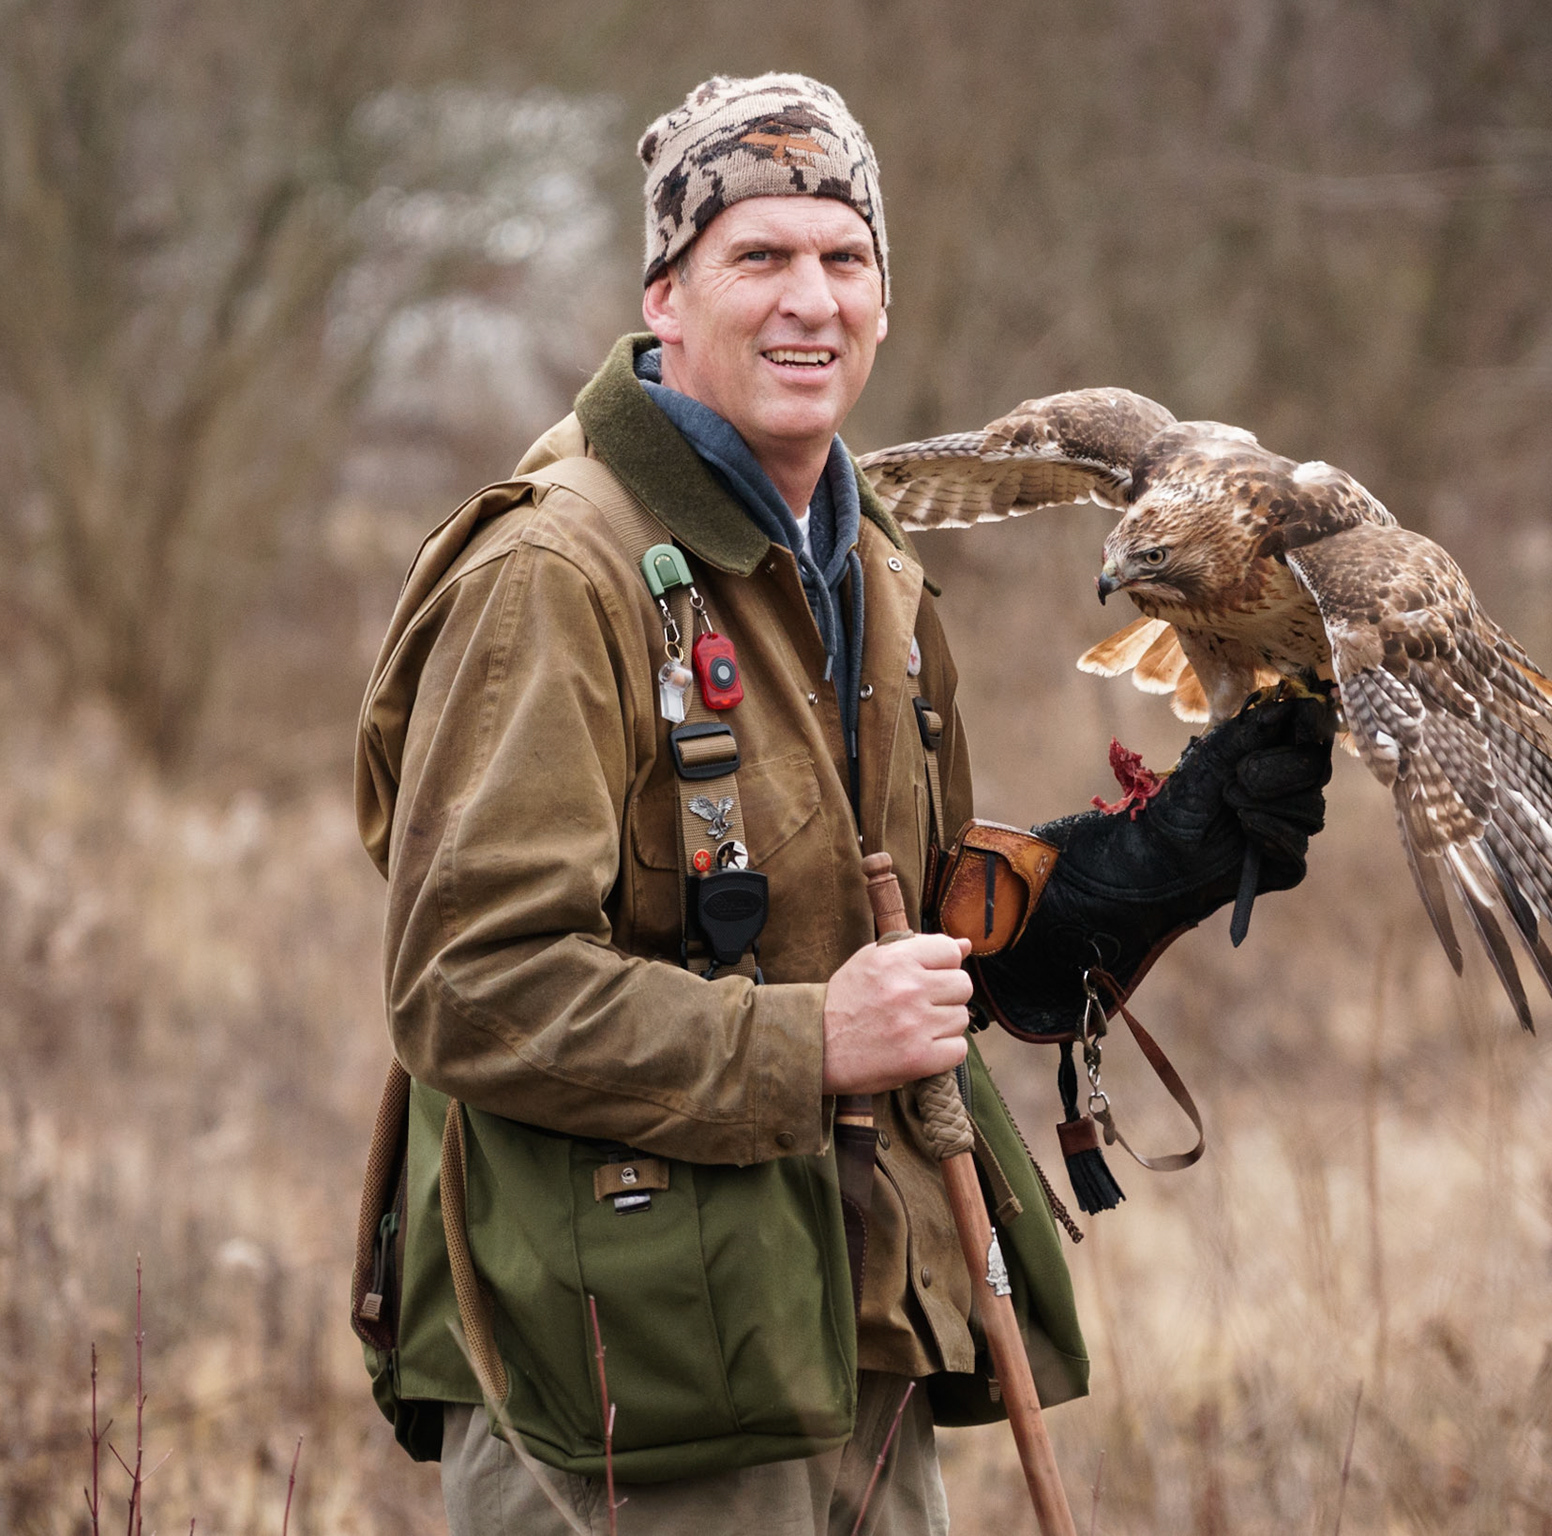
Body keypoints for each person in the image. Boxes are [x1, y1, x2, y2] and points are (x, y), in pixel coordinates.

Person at [351, 73, 1332, 1536]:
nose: (810, 300)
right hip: (619, 1378)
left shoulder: (867, 561)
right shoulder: (553, 578)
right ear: (666, 296)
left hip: (846, 1330)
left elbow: (902, 930)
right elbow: (467, 987)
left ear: (884, 298)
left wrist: (1144, 867)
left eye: (844, 259)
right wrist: (816, 1039)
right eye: (759, 258)